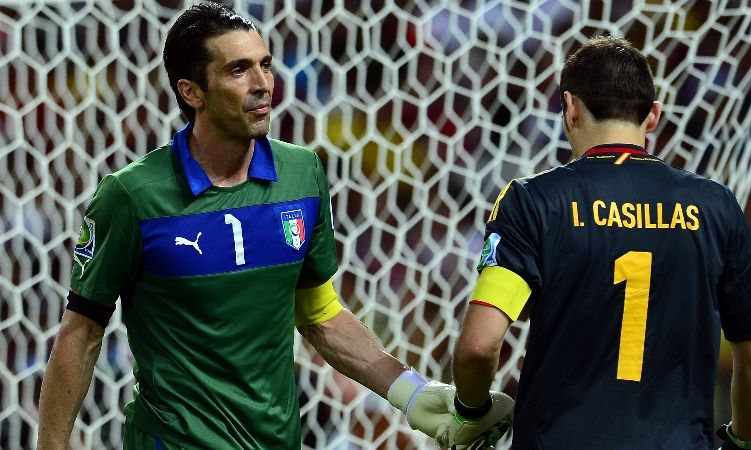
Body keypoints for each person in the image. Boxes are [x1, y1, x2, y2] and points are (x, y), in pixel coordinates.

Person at [36, 3, 511, 449]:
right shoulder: (133, 195)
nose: (263, 83)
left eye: (265, 64)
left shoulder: (302, 174)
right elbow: (81, 332)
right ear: (191, 92)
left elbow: (320, 313)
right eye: (238, 70)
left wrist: (412, 394)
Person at [450, 35, 751, 450]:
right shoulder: (716, 206)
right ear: (653, 116)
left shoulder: (533, 201)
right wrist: (744, 442)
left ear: (570, 107)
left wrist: (470, 413)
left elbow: (479, 347)